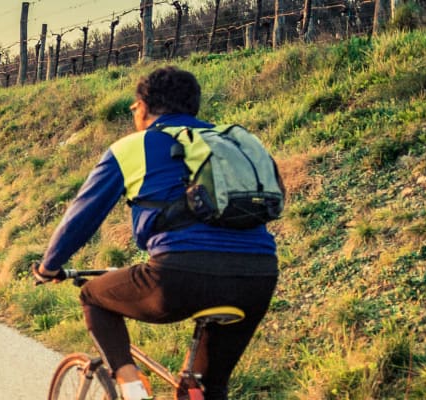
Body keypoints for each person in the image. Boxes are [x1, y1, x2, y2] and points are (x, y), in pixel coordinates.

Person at [33, 66, 280, 400]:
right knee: (208, 389)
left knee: (92, 296)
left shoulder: (134, 146)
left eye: (134, 107)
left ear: (144, 107)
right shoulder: (235, 144)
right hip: (258, 277)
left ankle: (133, 388)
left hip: (179, 276)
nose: (134, 113)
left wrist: (49, 266)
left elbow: (82, 216)